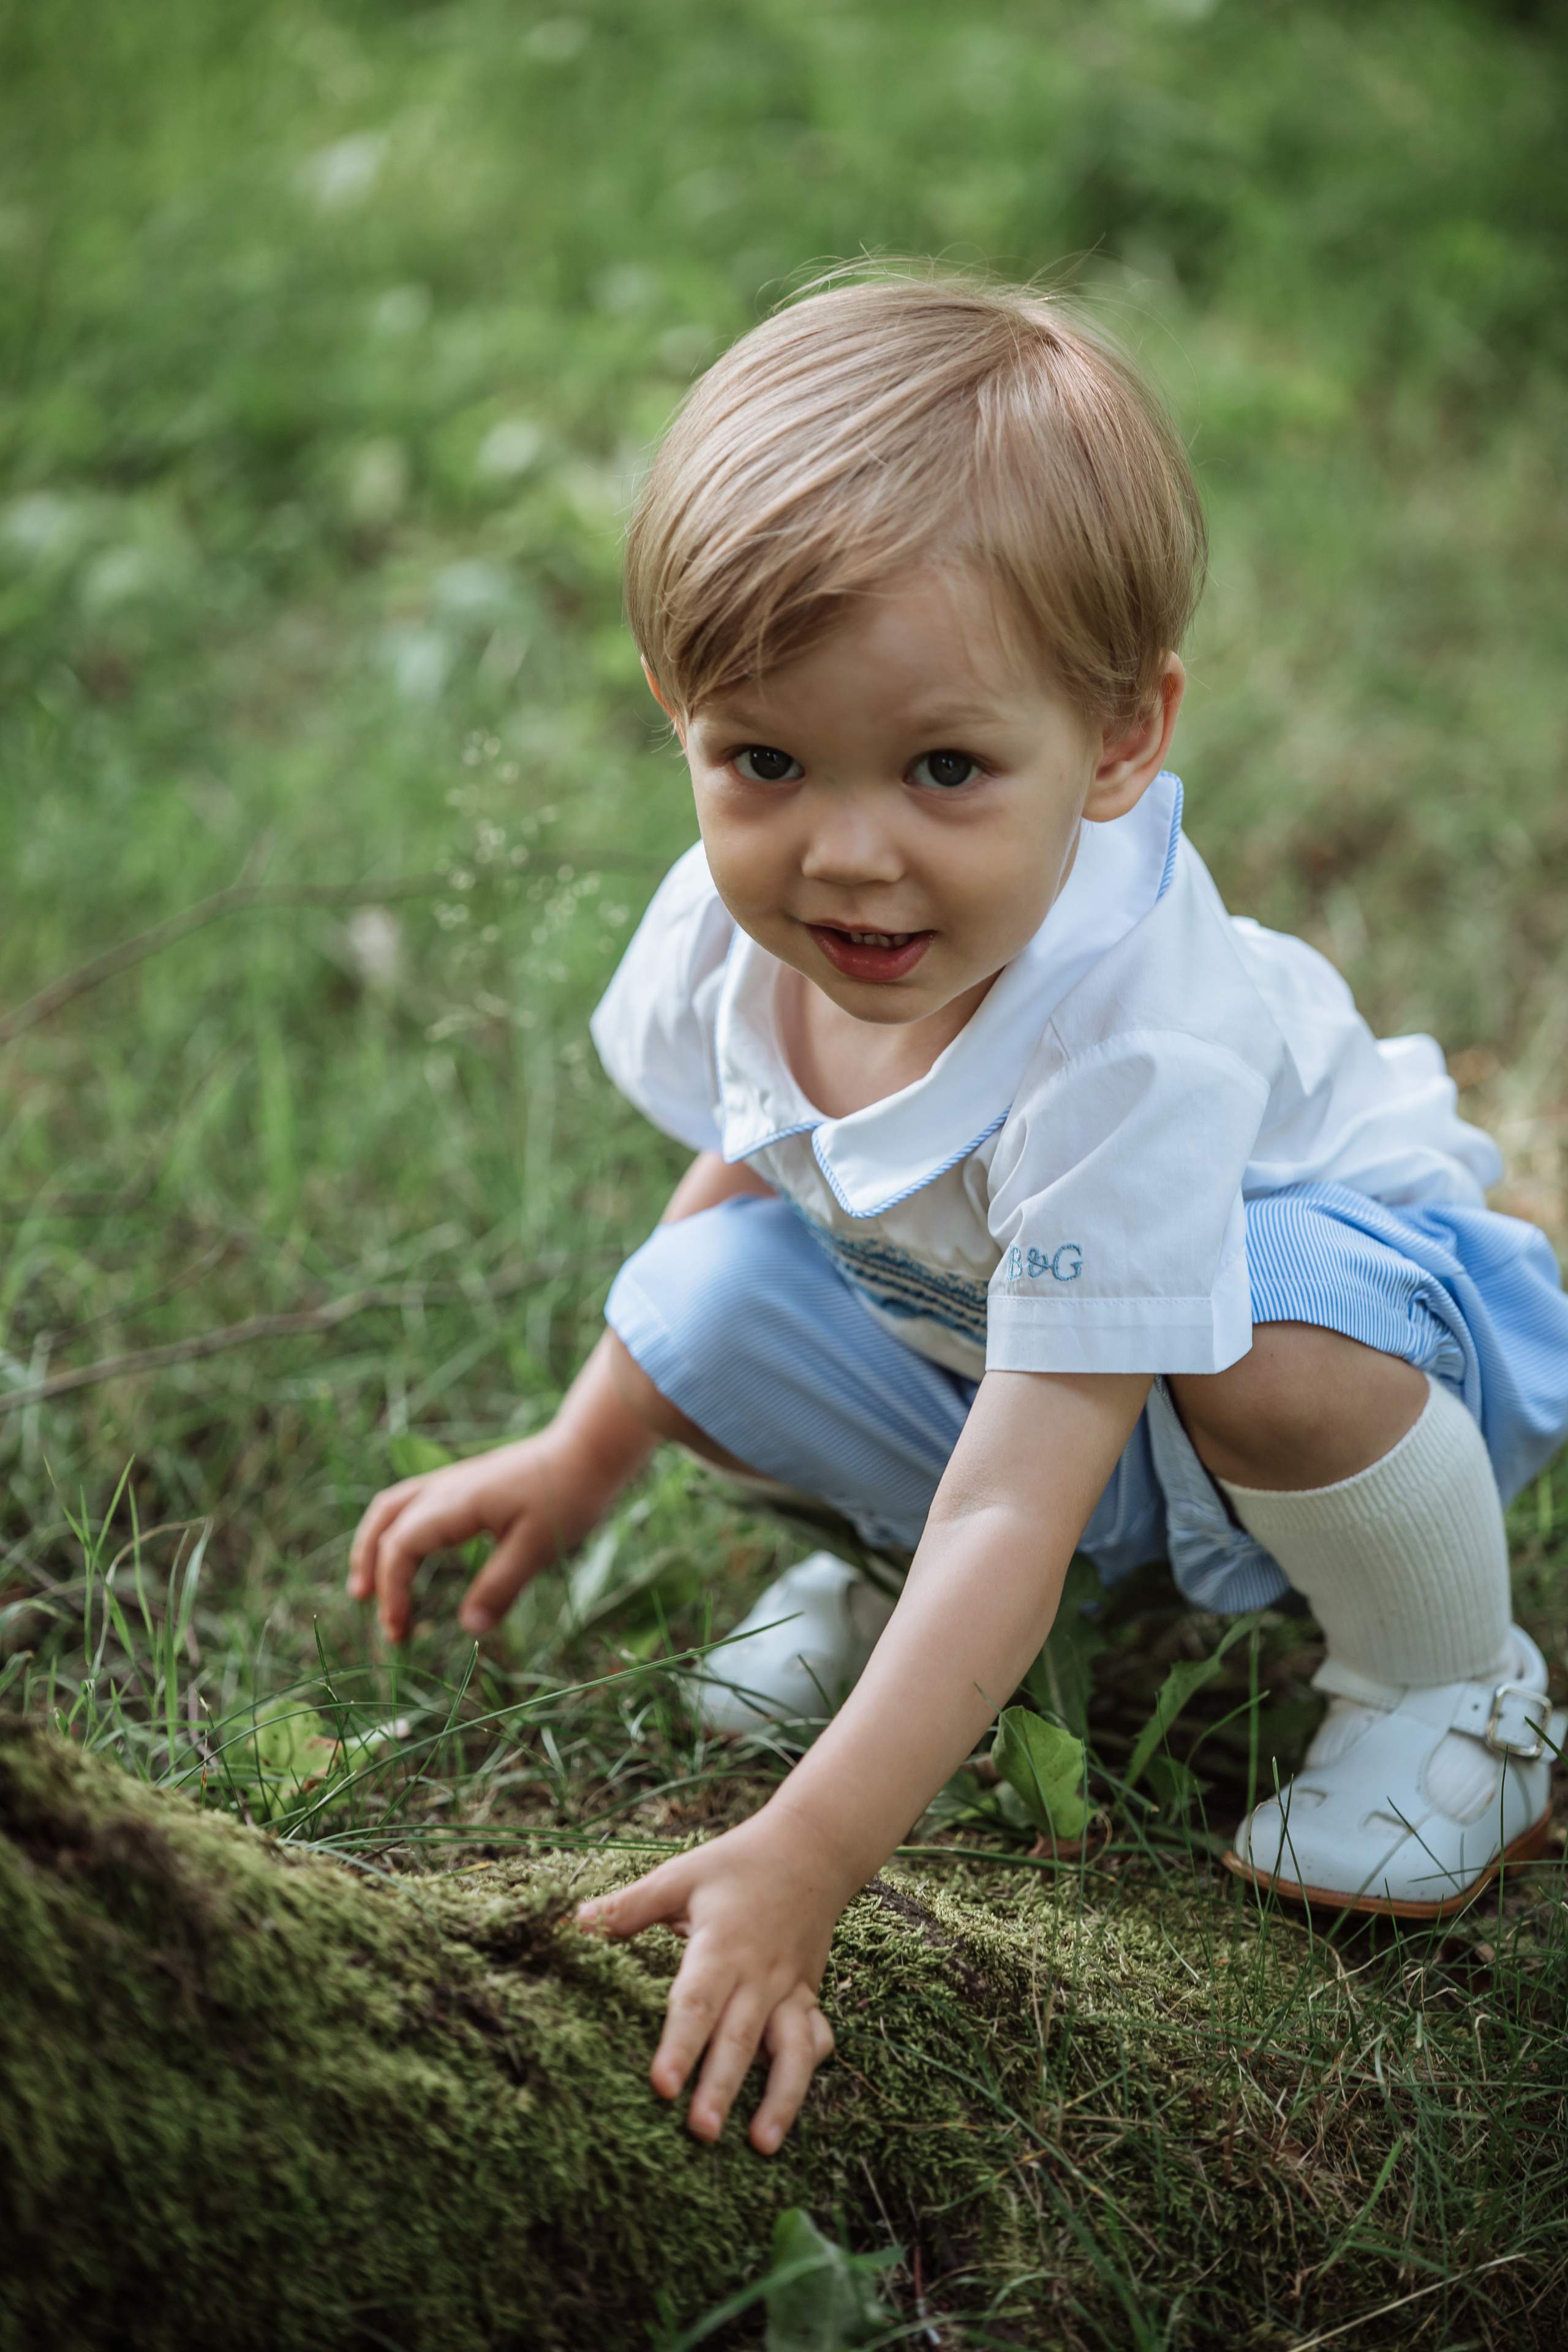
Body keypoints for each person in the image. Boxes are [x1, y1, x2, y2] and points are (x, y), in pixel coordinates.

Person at [349, 273, 1568, 2158]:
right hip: (1027, 1351)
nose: (849, 854)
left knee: (1262, 1331)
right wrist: (584, 1451)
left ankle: (1452, 1686)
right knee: (702, 1294)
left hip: (1364, 1365)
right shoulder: (729, 935)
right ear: (680, 713)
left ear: (1119, 738)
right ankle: (927, 1610)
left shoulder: (1131, 1034)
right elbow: (758, 1160)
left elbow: (1025, 1475)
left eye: (944, 769)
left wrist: (811, 1854)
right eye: (765, 760)